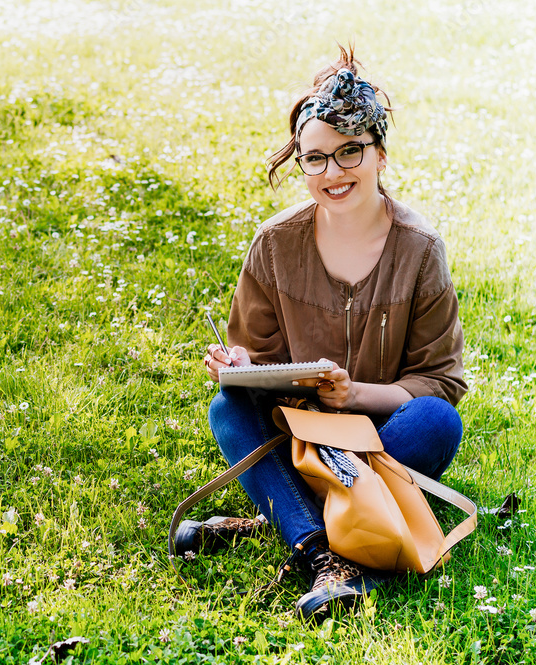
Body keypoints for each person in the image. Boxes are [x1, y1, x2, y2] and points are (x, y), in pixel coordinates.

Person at [183, 47, 467, 621]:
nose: (333, 173)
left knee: (438, 423)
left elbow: (440, 382)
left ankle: (283, 520)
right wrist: (237, 363)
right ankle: (327, 555)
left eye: (350, 153)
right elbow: (256, 356)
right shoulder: (274, 242)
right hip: (296, 432)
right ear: (301, 165)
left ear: (379, 155)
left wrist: (353, 394)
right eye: (315, 159)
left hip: (381, 438)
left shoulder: (420, 249)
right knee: (228, 406)